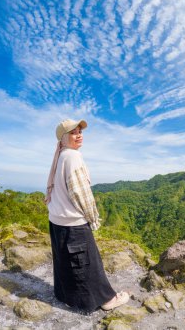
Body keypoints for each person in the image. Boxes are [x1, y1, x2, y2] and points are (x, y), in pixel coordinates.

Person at [45, 118, 129, 313]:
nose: (79, 135)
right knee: (88, 263)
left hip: (57, 220)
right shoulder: (72, 157)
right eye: (74, 132)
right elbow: (80, 192)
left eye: (80, 131)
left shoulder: (60, 156)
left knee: (65, 261)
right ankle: (107, 300)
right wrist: (92, 217)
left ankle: (67, 296)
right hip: (73, 223)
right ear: (63, 138)